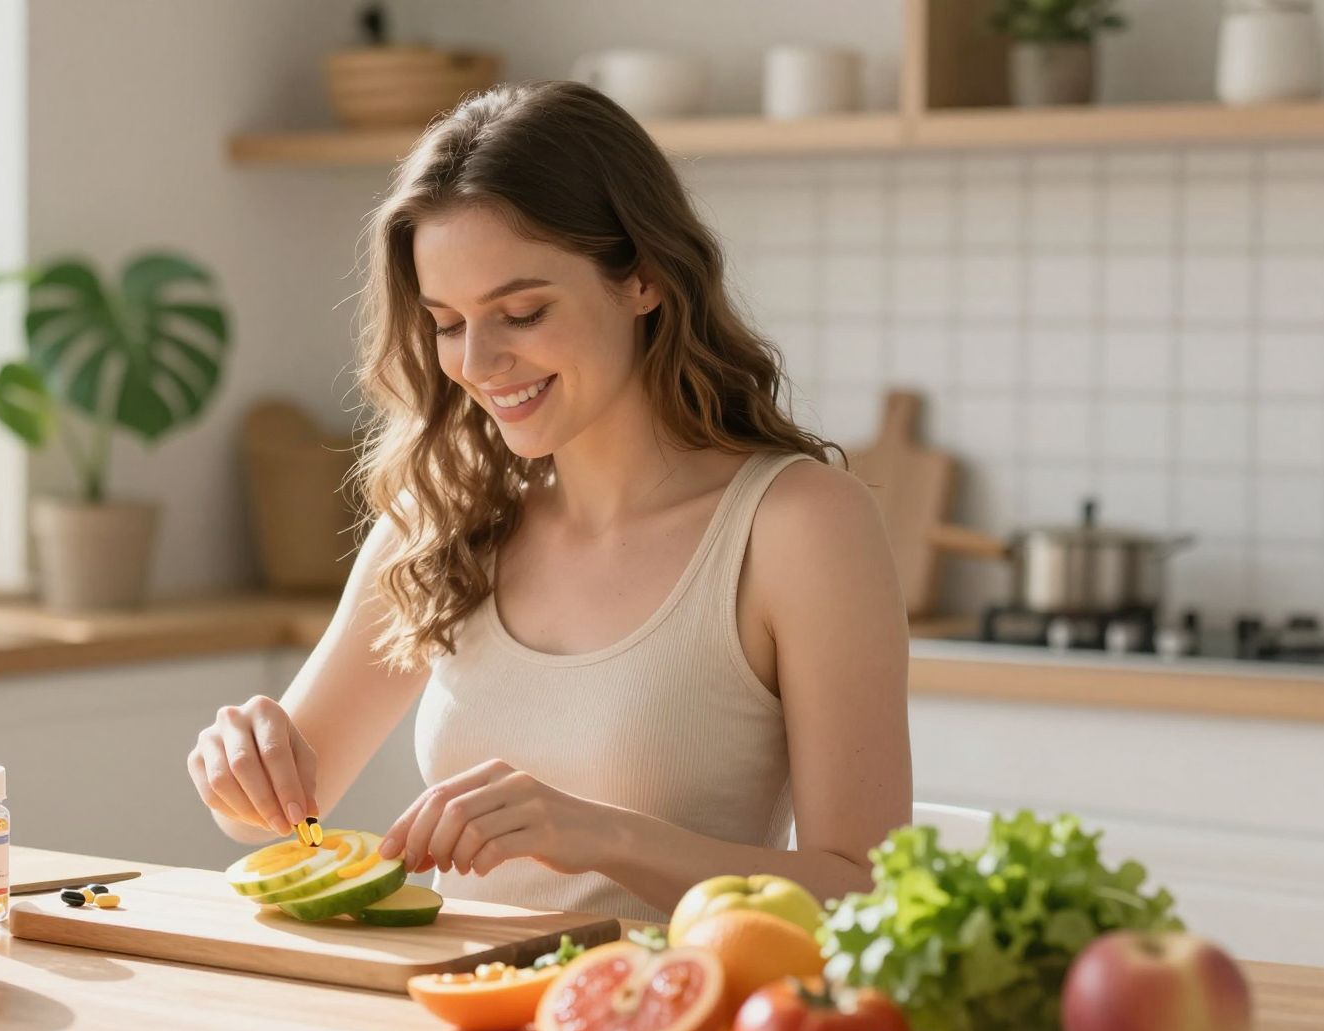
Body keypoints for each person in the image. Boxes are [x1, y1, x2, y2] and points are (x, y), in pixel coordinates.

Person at [186, 81, 910, 921]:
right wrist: (239, 761)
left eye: (521, 312)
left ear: (642, 279)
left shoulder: (798, 527)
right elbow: (264, 811)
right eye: (447, 323)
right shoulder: (445, 510)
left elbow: (867, 891)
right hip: (464, 1019)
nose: (480, 361)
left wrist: (606, 837)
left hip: (669, 1025)